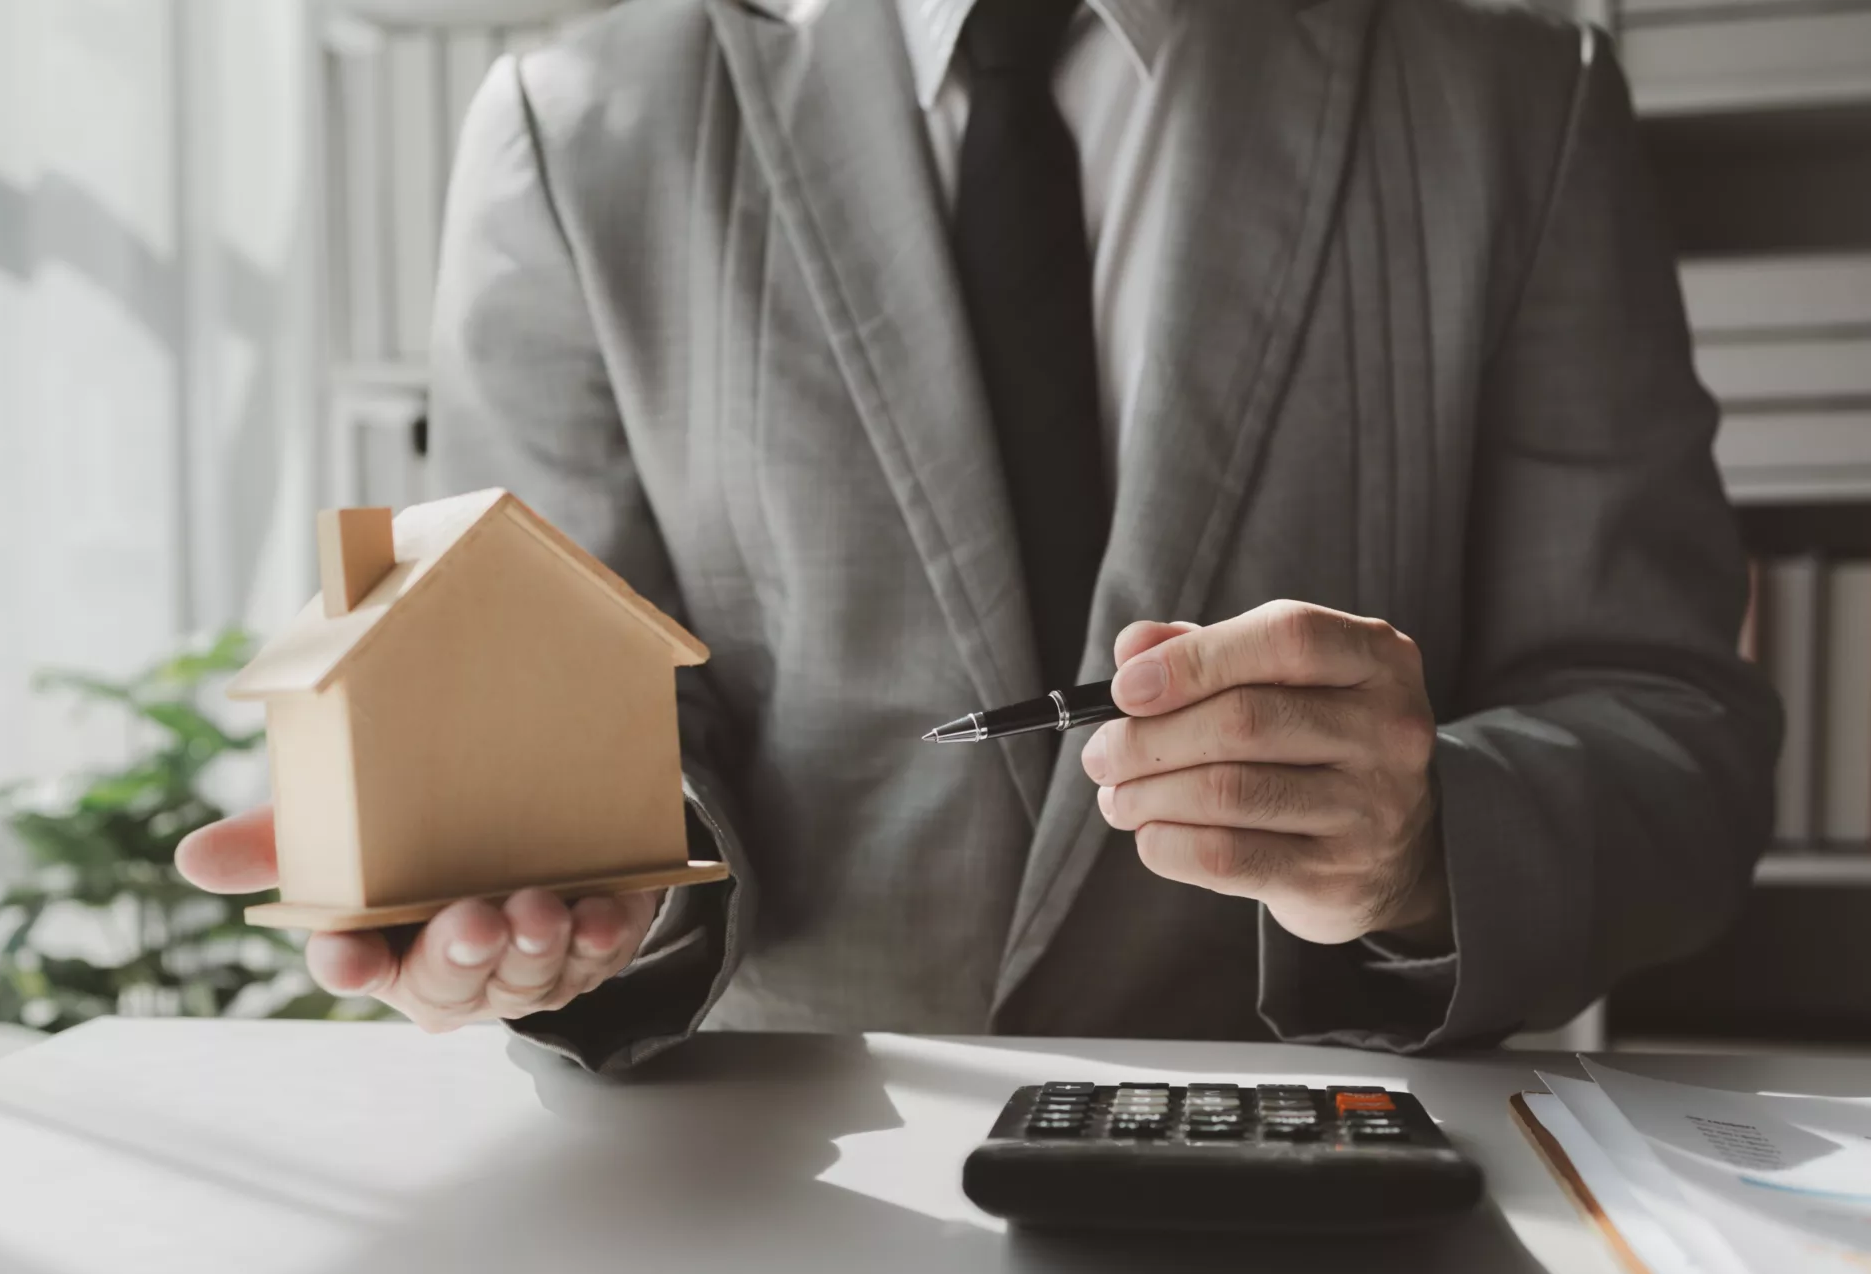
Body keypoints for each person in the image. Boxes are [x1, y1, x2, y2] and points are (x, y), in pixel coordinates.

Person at [179, 0, 1779, 1073]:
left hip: (1328, 1209)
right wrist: (560, 887)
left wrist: (1428, 848)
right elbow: (560, 701)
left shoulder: (1509, 99)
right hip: (771, 1206)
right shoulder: (578, 121)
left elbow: (1670, 732)